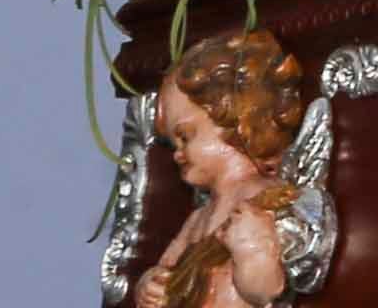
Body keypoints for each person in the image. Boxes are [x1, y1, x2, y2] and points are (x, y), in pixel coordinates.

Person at [135, 28, 315, 308]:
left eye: (185, 136)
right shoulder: (197, 220)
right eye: (173, 144)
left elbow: (266, 291)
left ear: (235, 119)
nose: (177, 155)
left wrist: (252, 250)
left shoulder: (264, 198)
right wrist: (150, 284)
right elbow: (167, 269)